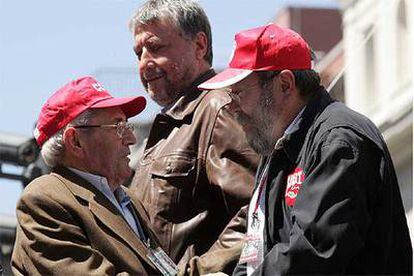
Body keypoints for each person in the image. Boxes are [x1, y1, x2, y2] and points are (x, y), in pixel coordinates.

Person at [199, 23, 412, 275]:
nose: (232, 107)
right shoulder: (278, 148)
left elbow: (314, 253)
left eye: (239, 93)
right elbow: (257, 250)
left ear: (285, 84)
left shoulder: (339, 140)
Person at [128, 0, 259, 274]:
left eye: (155, 47)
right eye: (139, 53)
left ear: (199, 45)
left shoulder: (218, 108)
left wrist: (197, 271)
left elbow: (257, 210)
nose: (144, 63)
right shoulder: (171, 124)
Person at [11, 76, 177, 275]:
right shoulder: (43, 198)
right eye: (118, 127)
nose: (131, 139)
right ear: (75, 141)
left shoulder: (128, 200)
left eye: (128, 125)